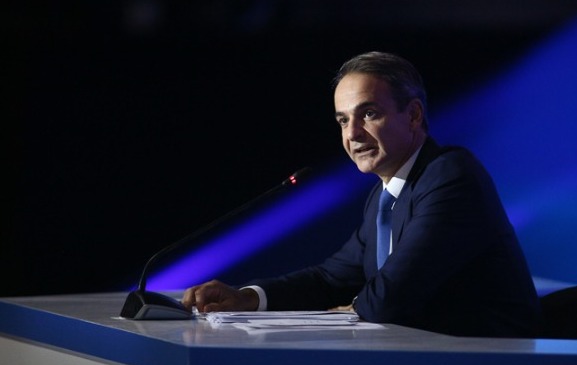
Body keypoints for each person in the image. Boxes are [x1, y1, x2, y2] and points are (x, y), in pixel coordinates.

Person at [182, 51, 540, 337]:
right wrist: (246, 297)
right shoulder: (383, 198)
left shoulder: (450, 176)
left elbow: (391, 297)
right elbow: (330, 279)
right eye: (343, 120)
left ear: (413, 115)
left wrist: (357, 305)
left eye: (368, 114)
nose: (352, 134)